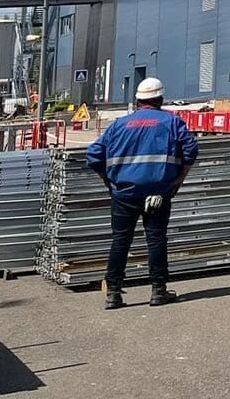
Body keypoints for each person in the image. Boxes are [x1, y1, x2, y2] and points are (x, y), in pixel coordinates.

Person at [84, 76, 198, 309]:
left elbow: (93, 155)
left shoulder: (118, 125)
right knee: (156, 240)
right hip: (157, 193)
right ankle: (158, 291)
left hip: (123, 193)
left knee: (120, 241)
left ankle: (113, 294)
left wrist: (108, 182)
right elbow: (191, 150)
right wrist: (178, 180)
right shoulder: (171, 122)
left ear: (137, 101)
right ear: (160, 99)